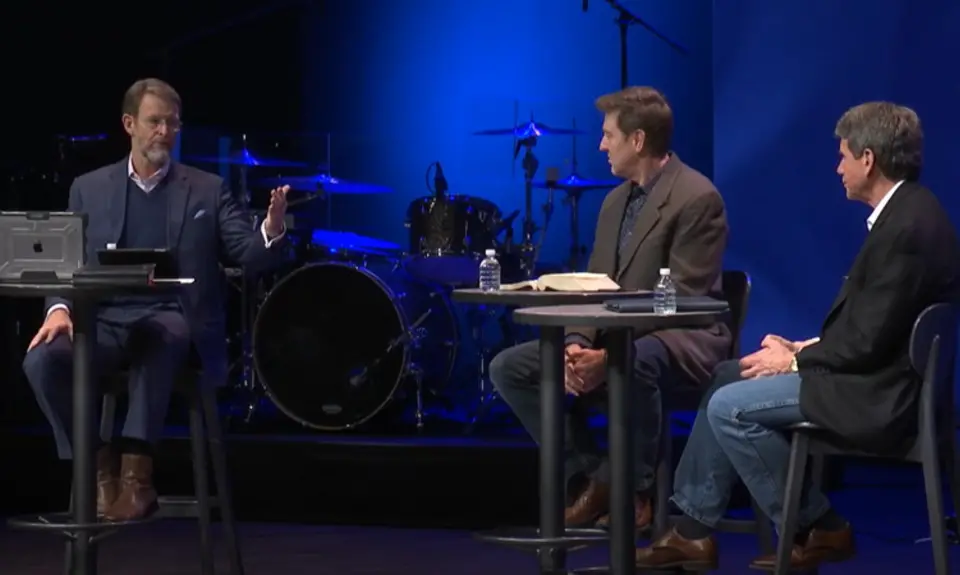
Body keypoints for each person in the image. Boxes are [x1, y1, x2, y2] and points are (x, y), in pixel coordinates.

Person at [635, 101, 960, 571]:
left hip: (877, 393)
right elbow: (879, 324)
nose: (838, 167)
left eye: (843, 156)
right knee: (729, 374)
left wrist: (792, 362)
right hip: (871, 374)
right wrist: (803, 347)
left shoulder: (907, 228)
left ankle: (819, 524)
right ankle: (692, 531)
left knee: (730, 406)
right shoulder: (909, 213)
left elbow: (868, 342)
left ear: (868, 159)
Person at [21, 78, 291, 522]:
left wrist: (272, 229)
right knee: (42, 360)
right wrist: (59, 308)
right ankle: (98, 466)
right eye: (154, 122)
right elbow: (65, 261)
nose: (164, 132)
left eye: (172, 124)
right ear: (129, 124)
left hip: (174, 318)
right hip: (104, 321)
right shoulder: (88, 188)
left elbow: (248, 253)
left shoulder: (207, 189)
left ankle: (137, 477)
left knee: (160, 334)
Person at [489, 86, 732, 532]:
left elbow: (680, 299)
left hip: (682, 337)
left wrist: (608, 353)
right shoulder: (614, 202)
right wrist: (576, 346)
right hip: (614, 335)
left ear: (637, 140)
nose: (601, 145)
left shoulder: (697, 197)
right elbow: (594, 286)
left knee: (633, 363)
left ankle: (635, 492)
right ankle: (591, 478)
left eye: (608, 135)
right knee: (510, 368)